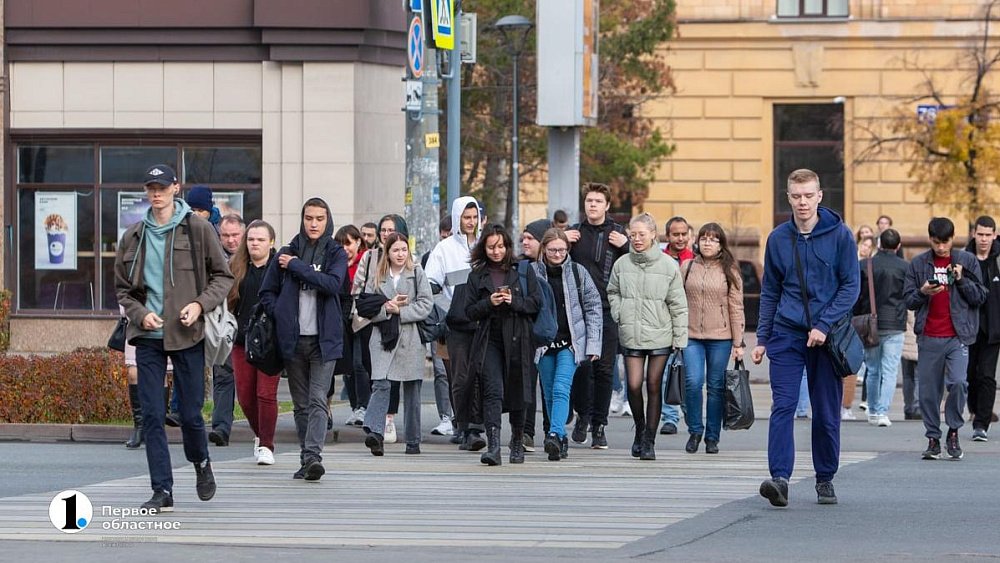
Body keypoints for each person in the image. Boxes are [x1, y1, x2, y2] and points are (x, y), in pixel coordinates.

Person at [115, 164, 234, 513]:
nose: (156, 193)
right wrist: (139, 314)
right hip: (148, 335)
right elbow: (123, 289)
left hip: (188, 333)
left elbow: (222, 277)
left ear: (175, 188)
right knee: (152, 414)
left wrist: (199, 305)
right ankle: (161, 490)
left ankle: (200, 462)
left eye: (163, 187)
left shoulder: (197, 230)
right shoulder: (133, 236)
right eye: (151, 187)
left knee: (192, 415)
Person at [751, 168, 859, 507]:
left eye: (808, 195)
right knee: (782, 406)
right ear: (788, 197)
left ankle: (825, 477)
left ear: (819, 196)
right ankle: (780, 478)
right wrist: (762, 338)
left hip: (826, 338)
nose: (803, 202)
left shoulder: (840, 235)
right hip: (786, 332)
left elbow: (850, 287)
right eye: (796, 196)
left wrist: (824, 324)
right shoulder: (779, 238)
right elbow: (770, 290)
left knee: (826, 412)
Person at [259, 198, 348, 481]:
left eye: (319, 219)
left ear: (327, 220)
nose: (313, 224)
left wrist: (297, 267)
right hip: (294, 341)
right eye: (309, 218)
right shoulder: (287, 252)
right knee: (300, 404)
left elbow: (333, 284)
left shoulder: (334, 253)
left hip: (325, 340)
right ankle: (305, 457)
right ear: (302, 219)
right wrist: (281, 313)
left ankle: (313, 457)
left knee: (318, 398)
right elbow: (267, 292)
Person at [905, 217, 987, 462]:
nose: (941, 247)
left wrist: (961, 280)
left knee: (959, 383)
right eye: (936, 242)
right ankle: (933, 438)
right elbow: (908, 300)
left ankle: (953, 431)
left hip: (957, 335)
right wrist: (922, 292)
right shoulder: (918, 263)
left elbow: (980, 296)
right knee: (929, 392)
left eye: (945, 242)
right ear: (930, 239)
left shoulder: (967, 261)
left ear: (954, 239)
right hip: (929, 335)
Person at [608, 213, 688, 461]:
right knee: (633, 385)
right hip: (631, 332)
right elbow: (612, 291)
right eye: (633, 235)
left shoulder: (667, 266)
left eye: (642, 234)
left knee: (653, 385)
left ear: (654, 234)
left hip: (660, 334)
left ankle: (649, 440)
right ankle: (640, 429)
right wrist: (619, 311)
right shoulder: (622, 264)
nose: (637, 239)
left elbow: (678, 304)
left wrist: (680, 338)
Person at [463, 224, 541, 465]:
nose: (496, 252)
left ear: (507, 247)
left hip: (519, 338)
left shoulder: (523, 271)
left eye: (500, 246)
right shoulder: (477, 275)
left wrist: (513, 300)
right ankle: (493, 445)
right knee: (492, 391)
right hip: (490, 339)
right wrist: (490, 302)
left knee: (519, 392)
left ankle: (517, 441)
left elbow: (535, 304)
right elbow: (469, 311)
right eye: (490, 247)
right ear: (483, 249)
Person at [564, 183, 629, 449]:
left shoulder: (618, 234)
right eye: (589, 200)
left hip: (607, 309)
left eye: (598, 201)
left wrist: (626, 247)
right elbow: (554, 260)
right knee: (582, 367)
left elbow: (636, 265)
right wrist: (563, 243)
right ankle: (582, 416)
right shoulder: (574, 233)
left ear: (607, 205)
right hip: (578, 310)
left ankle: (599, 425)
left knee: (604, 370)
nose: (593, 205)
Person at [531, 228, 603, 461]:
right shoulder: (532, 272)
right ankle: (559, 438)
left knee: (562, 388)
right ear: (543, 249)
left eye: (562, 249)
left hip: (571, 342)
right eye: (552, 250)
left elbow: (593, 307)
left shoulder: (577, 272)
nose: (557, 254)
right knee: (550, 391)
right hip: (542, 343)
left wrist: (593, 344)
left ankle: (554, 433)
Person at [359, 232, 433, 455]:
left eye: (403, 250)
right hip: (383, 338)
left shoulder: (417, 272)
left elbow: (426, 304)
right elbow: (366, 307)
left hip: (410, 339)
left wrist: (400, 311)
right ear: (387, 252)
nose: (400, 254)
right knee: (381, 384)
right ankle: (375, 433)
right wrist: (386, 308)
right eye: (395, 250)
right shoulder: (378, 274)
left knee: (412, 389)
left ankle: (413, 440)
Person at [428, 196, 487, 450]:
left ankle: (476, 426)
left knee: (481, 376)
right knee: (459, 378)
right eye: (466, 217)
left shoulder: (486, 245)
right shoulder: (444, 249)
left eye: (474, 217)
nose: (471, 222)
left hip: (483, 322)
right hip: (455, 325)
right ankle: (462, 424)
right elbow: (432, 286)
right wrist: (448, 312)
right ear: (457, 219)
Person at [680, 223, 745, 455]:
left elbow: (736, 307)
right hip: (691, 336)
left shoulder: (730, 269)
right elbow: (678, 303)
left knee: (716, 387)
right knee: (693, 382)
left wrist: (739, 343)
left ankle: (712, 437)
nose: (708, 243)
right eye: (704, 238)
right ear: (697, 242)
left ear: (721, 244)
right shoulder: (687, 267)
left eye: (713, 239)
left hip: (721, 337)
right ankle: (695, 430)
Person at [352, 213, 410, 443]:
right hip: (371, 321)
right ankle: (372, 414)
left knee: (391, 374)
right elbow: (358, 287)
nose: (386, 234)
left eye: (390, 230)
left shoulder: (407, 259)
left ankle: (387, 418)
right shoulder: (370, 256)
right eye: (383, 230)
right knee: (370, 370)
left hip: (399, 322)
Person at [228, 219, 278, 465]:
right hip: (242, 340)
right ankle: (259, 434)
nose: (254, 243)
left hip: (271, 342)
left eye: (260, 239)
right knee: (246, 396)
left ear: (271, 242)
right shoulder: (236, 267)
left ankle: (267, 445)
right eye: (250, 239)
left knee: (266, 394)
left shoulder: (280, 267)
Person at [854, 228, 908, 427]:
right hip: (895, 323)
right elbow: (909, 296)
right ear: (898, 246)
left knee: (873, 368)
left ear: (879, 244)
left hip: (870, 323)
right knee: (890, 369)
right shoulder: (905, 267)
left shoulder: (865, 266)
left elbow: (856, 296)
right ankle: (883, 412)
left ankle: (873, 410)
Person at [209, 213, 246, 448]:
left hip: (249, 327)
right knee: (222, 377)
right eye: (226, 235)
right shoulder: (212, 258)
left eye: (235, 235)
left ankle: (262, 429)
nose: (231, 240)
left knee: (251, 383)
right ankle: (221, 427)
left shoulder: (253, 256)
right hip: (221, 325)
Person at [964, 216, 1000, 442]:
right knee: (968, 376)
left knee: (987, 376)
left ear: (995, 235)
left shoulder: (998, 260)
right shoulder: (964, 260)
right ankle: (975, 409)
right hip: (968, 327)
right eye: (981, 234)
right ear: (974, 234)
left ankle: (981, 424)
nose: (984, 239)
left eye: (988, 235)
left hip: (994, 330)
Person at [518, 218, 552, 452]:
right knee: (526, 384)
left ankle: (552, 430)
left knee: (551, 386)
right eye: (523, 238)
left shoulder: (557, 266)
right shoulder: (519, 267)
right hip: (526, 335)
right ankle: (526, 432)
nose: (525, 242)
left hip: (554, 335)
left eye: (531, 238)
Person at [660, 216, 696, 435]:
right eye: (676, 234)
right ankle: (670, 417)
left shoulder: (696, 259)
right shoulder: (660, 259)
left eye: (684, 234)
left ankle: (690, 415)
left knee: (690, 375)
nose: (680, 238)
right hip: (665, 324)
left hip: (691, 326)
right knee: (668, 372)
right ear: (668, 236)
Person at [421, 216, 455, 437]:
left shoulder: (468, 255)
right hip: (440, 322)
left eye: (449, 233)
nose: (445, 237)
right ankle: (446, 416)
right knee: (442, 371)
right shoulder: (431, 257)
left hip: (462, 321)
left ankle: (464, 416)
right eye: (442, 233)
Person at [335, 225, 371, 427]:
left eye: (348, 243)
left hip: (361, 318)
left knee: (359, 363)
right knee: (347, 365)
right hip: (342, 318)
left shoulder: (366, 260)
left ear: (358, 241)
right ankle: (356, 406)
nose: (344, 248)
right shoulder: (337, 263)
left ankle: (364, 406)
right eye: (340, 244)